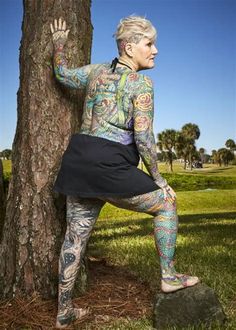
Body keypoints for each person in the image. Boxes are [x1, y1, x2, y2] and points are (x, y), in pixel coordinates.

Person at [50, 16, 200, 328]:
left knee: (74, 239)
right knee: (167, 205)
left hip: (77, 160)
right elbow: (144, 137)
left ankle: (64, 311)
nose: (155, 50)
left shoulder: (95, 72)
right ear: (129, 48)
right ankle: (169, 276)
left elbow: (62, 74)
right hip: (110, 164)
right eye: (149, 44)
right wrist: (159, 179)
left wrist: (59, 45)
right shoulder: (142, 84)